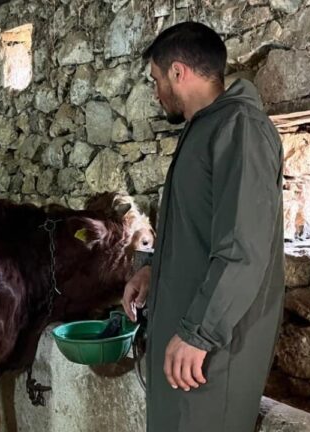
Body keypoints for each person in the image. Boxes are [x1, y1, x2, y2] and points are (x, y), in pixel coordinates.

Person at [122, 21, 285, 432]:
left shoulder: (240, 128)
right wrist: (153, 273)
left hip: (213, 351)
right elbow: (196, 232)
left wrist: (199, 333)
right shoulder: (204, 129)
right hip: (187, 339)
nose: (156, 92)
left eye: (156, 79)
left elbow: (243, 248)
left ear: (178, 72)